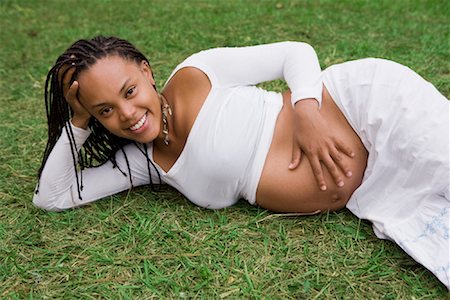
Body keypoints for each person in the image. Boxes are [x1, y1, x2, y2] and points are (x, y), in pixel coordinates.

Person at [33, 36, 449, 289]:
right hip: (374, 187)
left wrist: (306, 112)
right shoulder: (144, 164)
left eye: (129, 91)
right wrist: (78, 120)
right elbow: (53, 196)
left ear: (147, 71)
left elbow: (295, 53)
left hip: (364, 105)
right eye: (105, 111)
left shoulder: (197, 74)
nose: (126, 114)